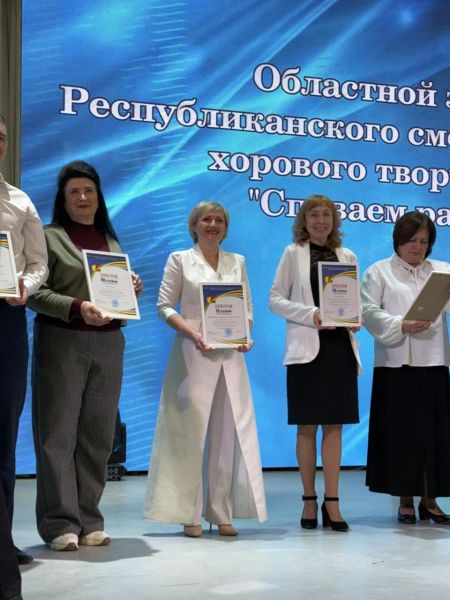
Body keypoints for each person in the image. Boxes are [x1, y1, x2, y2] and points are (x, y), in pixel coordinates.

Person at [27, 160, 143, 551]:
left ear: (99, 197)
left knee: (97, 434)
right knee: (57, 434)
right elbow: (35, 293)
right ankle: (60, 522)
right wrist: (77, 307)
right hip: (62, 341)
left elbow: (111, 292)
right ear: (63, 200)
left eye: (89, 190)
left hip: (109, 343)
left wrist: (130, 288)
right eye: (74, 192)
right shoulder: (49, 237)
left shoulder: (109, 241)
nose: (82, 197)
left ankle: (89, 518)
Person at [144, 200, 267, 537]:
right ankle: (190, 513)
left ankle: (220, 510)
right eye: (206, 219)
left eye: (219, 220)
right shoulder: (180, 259)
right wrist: (193, 334)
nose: (213, 225)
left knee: (227, 434)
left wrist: (244, 335)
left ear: (225, 228)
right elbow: (164, 306)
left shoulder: (237, 261)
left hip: (230, 356)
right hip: (192, 354)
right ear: (194, 226)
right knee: (190, 433)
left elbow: (247, 308)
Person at [269, 194, 361, 532]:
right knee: (307, 427)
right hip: (307, 350)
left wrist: (355, 318)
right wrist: (312, 314)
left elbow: (353, 300)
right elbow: (275, 299)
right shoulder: (292, 253)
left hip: (340, 350)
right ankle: (309, 499)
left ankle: (332, 502)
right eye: (314, 215)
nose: (321, 221)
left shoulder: (347, 256)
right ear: (304, 221)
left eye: (327, 215)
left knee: (335, 426)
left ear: (334, 220)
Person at [361, 211, 450, 524]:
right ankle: (405, 500)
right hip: (395, 364)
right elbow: (367, 312)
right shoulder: (379, 271)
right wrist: (401, 324)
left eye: (424, 241)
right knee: (402, 434)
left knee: (433, 434)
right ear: (398, 241)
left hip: (433, 361)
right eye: (411, 240)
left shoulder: (442, 271)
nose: (417, 247)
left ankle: (431, 499)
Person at [0, 113, 48, 567]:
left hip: (6, 319)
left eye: (0, 137)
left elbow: (39, 264)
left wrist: (25, 288)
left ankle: (1, 543)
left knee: (4, 433)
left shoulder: (19, 201)